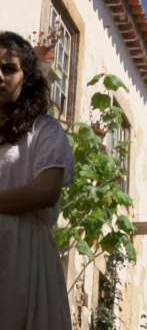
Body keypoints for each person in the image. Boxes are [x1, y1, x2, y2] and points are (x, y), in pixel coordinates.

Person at [0, 31, 73, 329]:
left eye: (9, 68)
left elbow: (46, 191)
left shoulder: (44, 131)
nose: (0, 76)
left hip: (22, 256)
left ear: (26, 77)